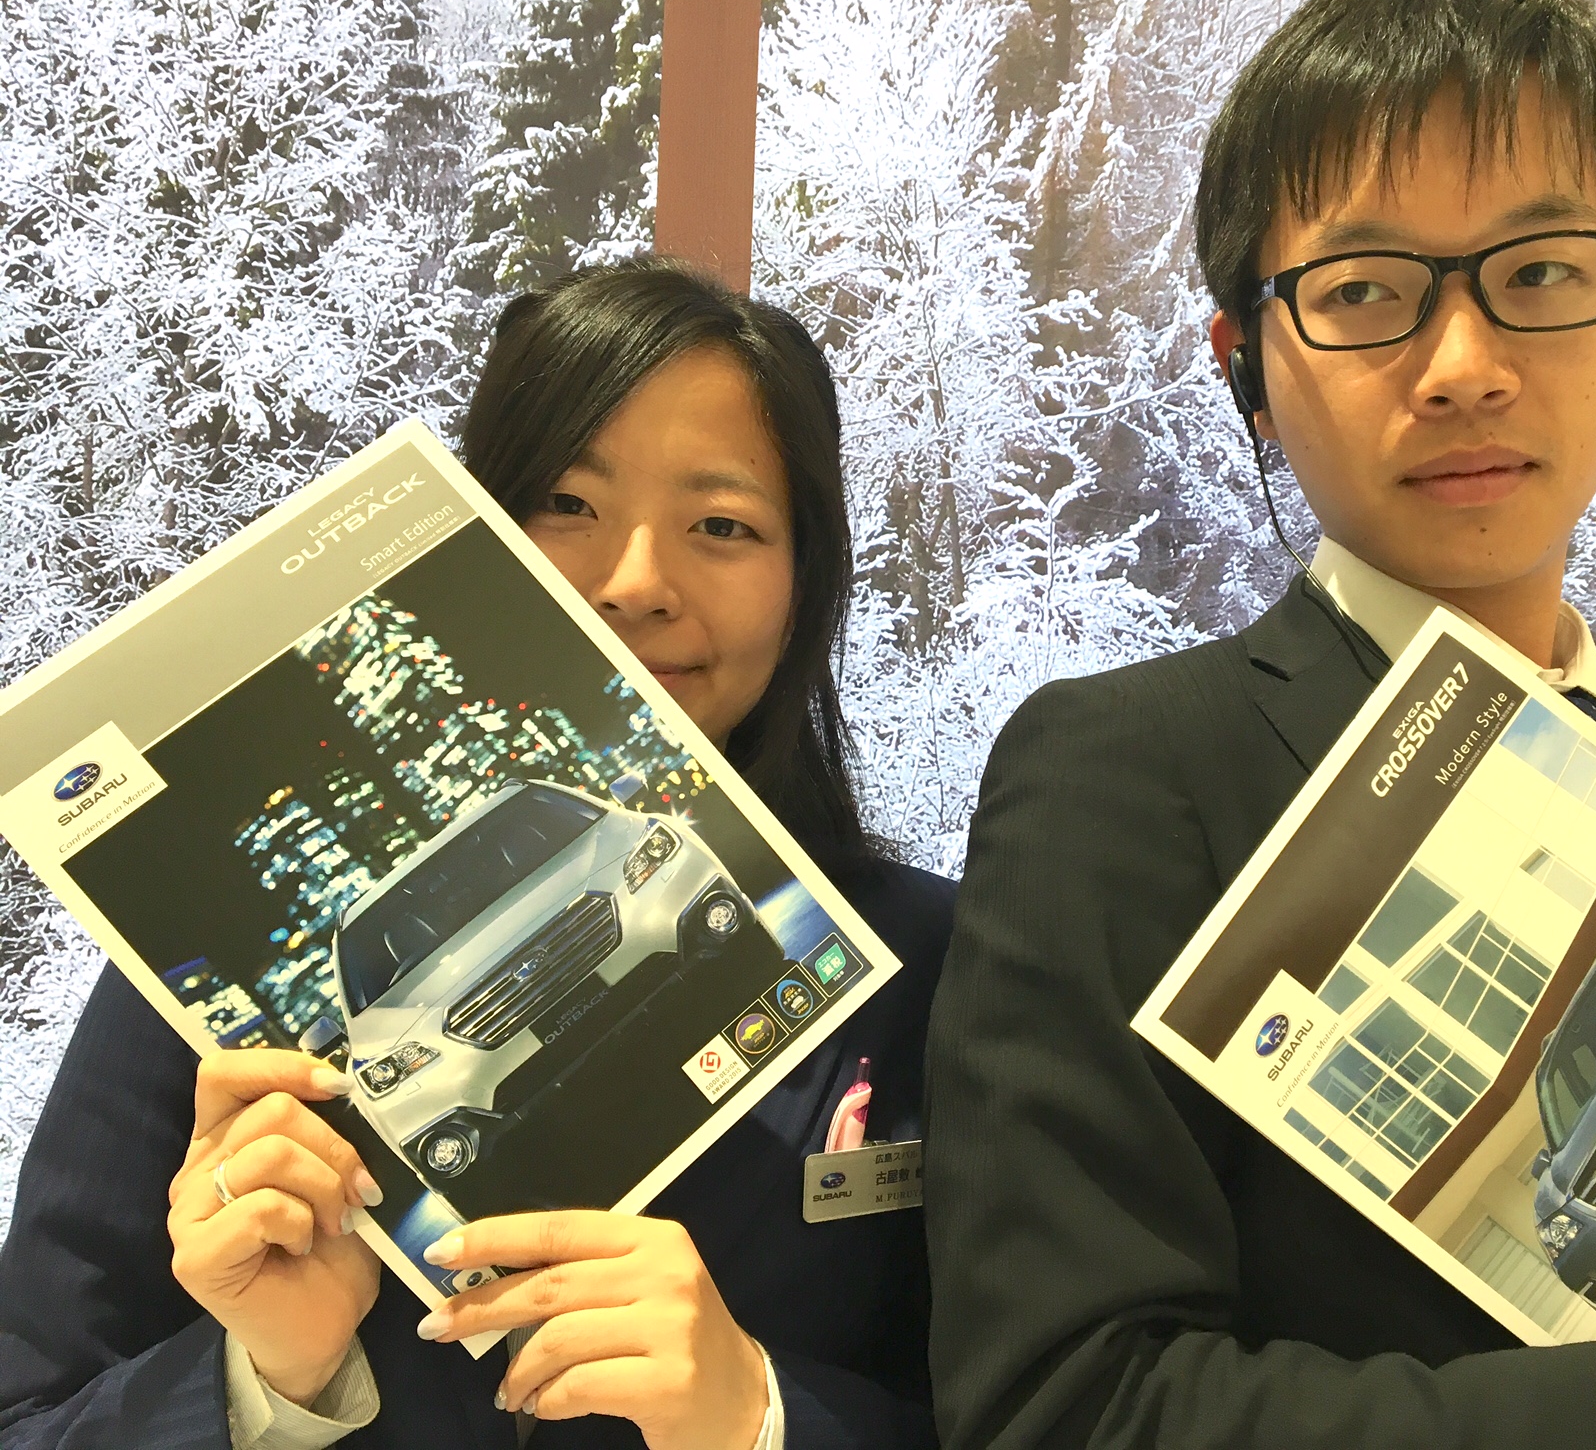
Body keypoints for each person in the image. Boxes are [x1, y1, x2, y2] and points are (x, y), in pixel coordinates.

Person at [924, 0, 1596, 1450]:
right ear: (1244, 361)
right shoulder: (1125, 776)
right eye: (1364, 292)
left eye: (1540, 273)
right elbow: (1065, 1411)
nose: (1466, 368)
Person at [0, 259, 950, 1449]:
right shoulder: (234, 1033)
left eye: (723, 525)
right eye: (566, 504)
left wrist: (758, 1415)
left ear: (807, 578)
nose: (635, 582)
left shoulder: (943, 972)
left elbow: (1045, 1410)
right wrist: (268, 1383)